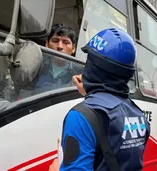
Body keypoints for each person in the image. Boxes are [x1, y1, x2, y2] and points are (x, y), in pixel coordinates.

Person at [50, 28, 151, 171]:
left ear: (95, 66)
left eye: (89, 60)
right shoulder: (139, 115)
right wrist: (91, 93)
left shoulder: (79, 117)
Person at [34, 23, 82, 94]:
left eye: (65, 42)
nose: (60, 46)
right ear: (47, 44)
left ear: (73, 48)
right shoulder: (36, 67)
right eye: (55, 41)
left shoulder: (80, 73)